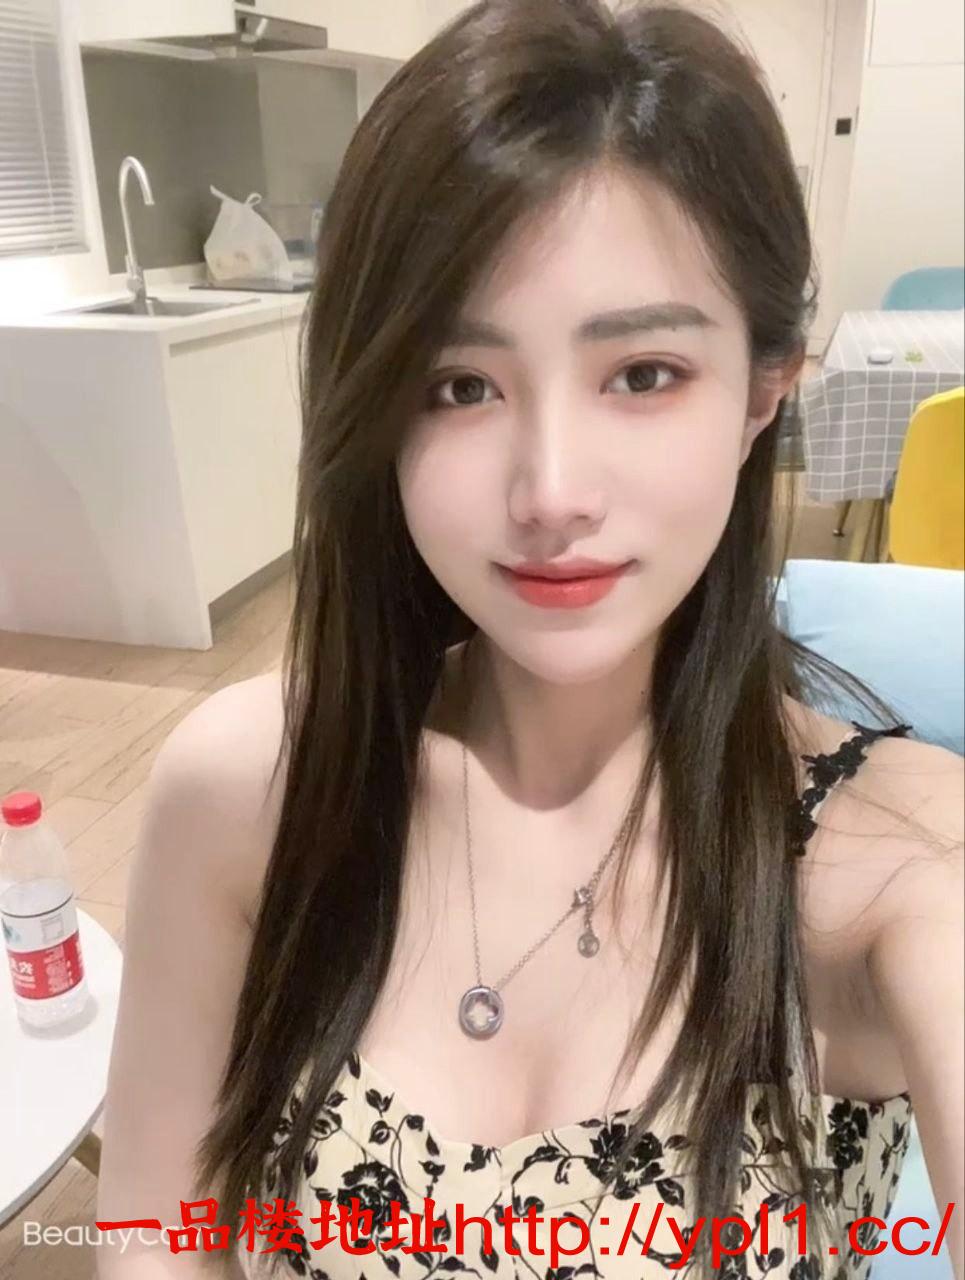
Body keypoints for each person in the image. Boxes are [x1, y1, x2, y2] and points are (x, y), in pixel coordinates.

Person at [94, 2, 964, 1278]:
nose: (550, 490)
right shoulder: (256, 785)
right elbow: (152, 1236)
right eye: (461, 386)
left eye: (642, 373)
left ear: (761, 388)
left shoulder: (893, 862)